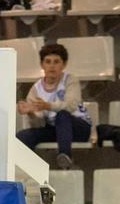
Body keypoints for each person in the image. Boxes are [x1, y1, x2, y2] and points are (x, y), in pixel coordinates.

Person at [15, 43, 92, 171]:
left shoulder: (70, 80)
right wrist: (31, 113)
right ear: (42, 65)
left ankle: (65, 156)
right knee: (23, 135)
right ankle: (27, 170)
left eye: (56, 62)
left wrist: (48, 106)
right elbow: (38, 124)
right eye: (48, 62)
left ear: (64, 64)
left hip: (78, 128)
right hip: (55, 129)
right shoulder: (36, 88)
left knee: (62, 115)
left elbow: (70, 106)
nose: (52, 66)